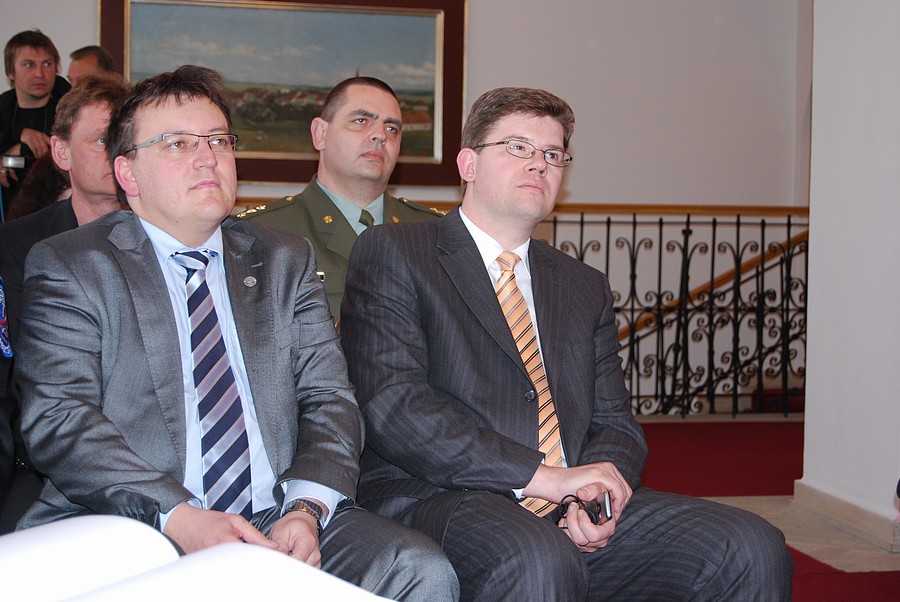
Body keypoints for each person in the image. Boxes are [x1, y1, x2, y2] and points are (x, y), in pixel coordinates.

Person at [14, 65, 457, 601]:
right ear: (127, 173)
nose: (207, 158)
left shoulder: (283, 259)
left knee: (419, 570)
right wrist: (180, 516)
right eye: (178, 144)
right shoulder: (74, 265)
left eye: (218, 141)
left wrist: (306, 508)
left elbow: (329, 399)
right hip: (134, 519)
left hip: (277, 513)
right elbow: (60, 417)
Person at [340, 87, 794, 600]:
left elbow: (615, 423)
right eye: (518, 147)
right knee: (539, 555)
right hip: (440, 494)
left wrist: (595, 495)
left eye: (553, 154)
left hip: (567, 500)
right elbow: (395, 407)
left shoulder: (582, 285)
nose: (539, 164)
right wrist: (543, 478)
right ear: (468, 163)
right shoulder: (397, 253)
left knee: (750, 545)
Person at [0, 73, 130, 533]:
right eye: (103, 141)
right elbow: (18, 371)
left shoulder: (171, 238)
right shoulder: (18, 243)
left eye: (127, 141)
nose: (118, 155)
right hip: (46, 461)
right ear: (61, 152)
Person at [239, 76, 442, 318]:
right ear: (320, 134)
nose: (380, 135)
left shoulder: (435, 233)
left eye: (392, 128)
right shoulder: (263, 234)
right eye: (361, 121)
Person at [0, 30, 71, 213]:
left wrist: (20, 150)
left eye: (47, 64)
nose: (40, 73)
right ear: (10, 72)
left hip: (59, 210)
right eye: (29, 65)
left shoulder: (71, 105)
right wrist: (19, 133)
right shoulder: (3, 107)